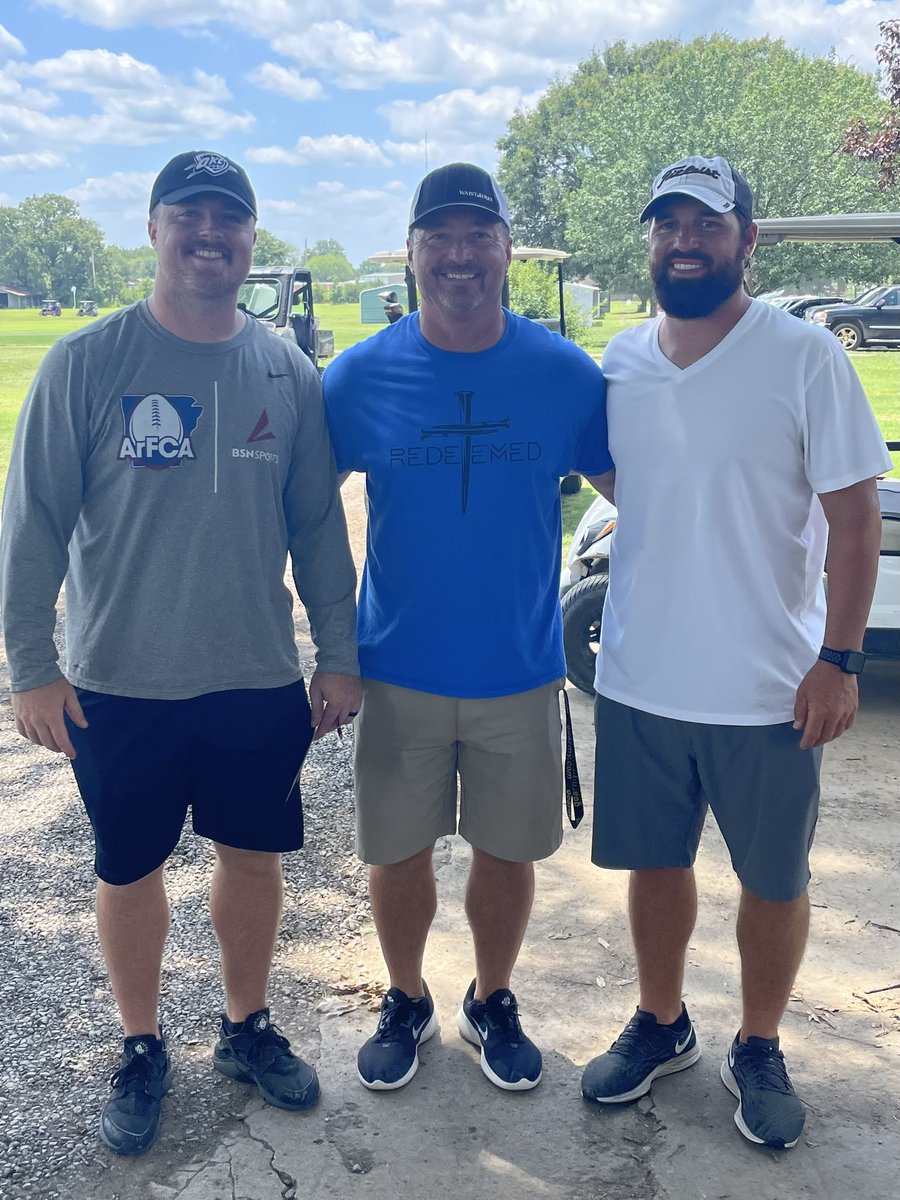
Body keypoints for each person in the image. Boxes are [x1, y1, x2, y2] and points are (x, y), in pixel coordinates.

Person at [0, 150, 362, 1156]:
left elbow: (318, 528)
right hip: (120, 681)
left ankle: (246, 1026)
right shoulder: (88, 362)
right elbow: (32, 524)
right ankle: (141, 1043)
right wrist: (31, 666)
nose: (210, 234)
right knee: (129, 867)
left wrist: (338, 653)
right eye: (190, 215)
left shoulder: (285, 372)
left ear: (251, 236)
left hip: (255, 674)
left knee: (252, 855)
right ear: (155, 227)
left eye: (228, 218)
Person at [580, 156, 891, 1149]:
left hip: (769, 686)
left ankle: (757, 1043)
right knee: (654, 866)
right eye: (667, 223)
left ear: (747, 240)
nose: (685, 240)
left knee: (775, 881)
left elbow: (854, 522)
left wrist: (839, 659)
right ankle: (661, 1021)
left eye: (707, 223)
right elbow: (623, 477)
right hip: (641, 676)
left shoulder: (805, 356)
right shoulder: (621, 360)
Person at [323, 162, 612, 1094]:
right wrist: (328, 650)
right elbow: (301, 516)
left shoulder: (564, 374)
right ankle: (406, 997)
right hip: (397, 666)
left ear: (506, 250)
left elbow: (640, 496)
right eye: (438, 237)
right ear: (410, 254)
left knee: (507, 848)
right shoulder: (357, 377)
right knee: (397, 848)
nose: (459, 254)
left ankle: (492, 997)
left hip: (519, 668)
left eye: (477, 235)